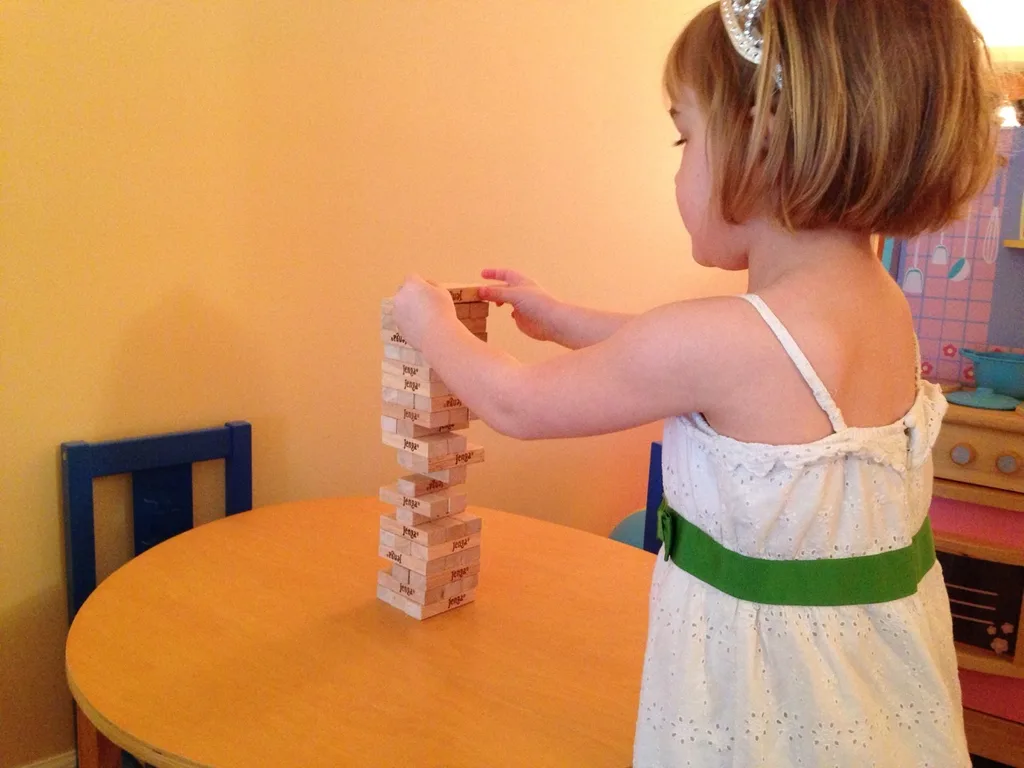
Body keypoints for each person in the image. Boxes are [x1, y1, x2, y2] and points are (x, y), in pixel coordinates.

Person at [393, 0, 1001, 764]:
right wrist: (564, 318)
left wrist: (430, 325)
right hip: (872, 686)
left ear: (761, 141)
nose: (679, 167)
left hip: (767, 706)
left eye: (685, 137)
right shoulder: (877, 303)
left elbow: (514, 402)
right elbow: (710, 361)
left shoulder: (723, 342)